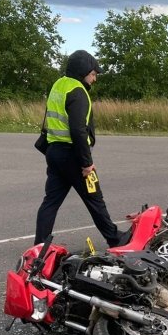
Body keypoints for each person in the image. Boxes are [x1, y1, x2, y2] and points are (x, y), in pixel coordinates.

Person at [34, 50, 126, 247]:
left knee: (50, 202)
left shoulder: (58, 85)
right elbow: (78, 130)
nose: (94, 79)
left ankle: (39, 245)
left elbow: (49, 120)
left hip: (54, 152)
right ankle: (115, 239)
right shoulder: (78, 91)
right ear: (83, 71)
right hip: (73, 156)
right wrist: (86, 163)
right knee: (95, 199)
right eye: (93, 74)